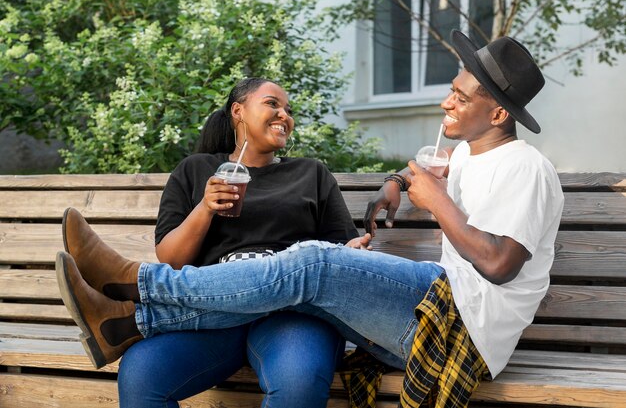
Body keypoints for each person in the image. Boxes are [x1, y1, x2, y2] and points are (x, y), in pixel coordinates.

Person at [56, 30, 564, 407]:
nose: (445, 101)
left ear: (498, 114)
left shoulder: (527, 167)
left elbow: (500, 263)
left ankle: (135, 288)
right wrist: (399, 183)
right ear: (237, 112)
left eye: (460, 95)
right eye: (451, 89)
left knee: (312, 264)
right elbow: (429, 173)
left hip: (458, 322)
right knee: (308, 269)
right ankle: (127, 317)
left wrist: (435, 202)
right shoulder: (476, 156)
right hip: (430, 307)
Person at [61, 77, 373, 408]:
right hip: (212, 314)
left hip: (291, 316)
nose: (284, 115)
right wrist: (205, 208)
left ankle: (129, 294)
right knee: (141, 375)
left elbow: (341, 255)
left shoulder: (311, 174)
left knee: (299, 381)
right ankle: (129, 295)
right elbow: (172, 259)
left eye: (288, 109)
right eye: (272, 104)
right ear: (238, 110)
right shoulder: (196, 171)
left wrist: (354, 251)